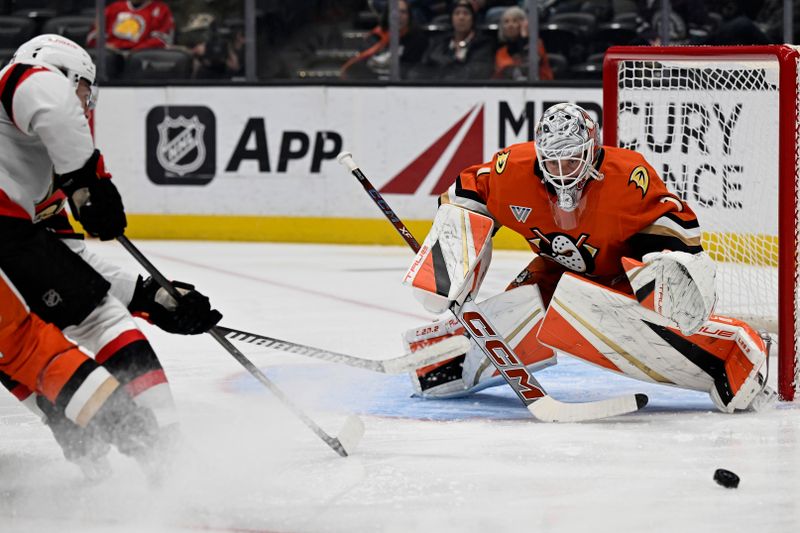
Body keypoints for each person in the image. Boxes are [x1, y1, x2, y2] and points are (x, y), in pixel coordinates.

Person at [402, 102, 774, 413]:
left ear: (592, 150)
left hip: (620, 278)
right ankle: (446, 364)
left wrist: (664, 267)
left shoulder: (627, 176)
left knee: (597, 314)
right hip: (554, 273)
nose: (562, 174)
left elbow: (677, 226)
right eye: (553, 163)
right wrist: (449, 263)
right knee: (522, 310)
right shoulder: (511, 170)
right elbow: (465, 194)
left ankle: (730, 350)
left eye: (572, 161)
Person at [0, 34, 221, 479]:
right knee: (94, 321)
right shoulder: (18, 81)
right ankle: (167, 456)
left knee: (20, 348)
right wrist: (86, 181)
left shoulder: (30, 174)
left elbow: (67, 260)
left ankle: (78, 437)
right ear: (63, 75)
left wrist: (147, 297)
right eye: (83, 89)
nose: (85, 103)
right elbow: (42, 92)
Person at [340, 0, 429, 80]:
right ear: (387, 15)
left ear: (409, 16)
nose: (398, 16)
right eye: (395, 11)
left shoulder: (418, 39)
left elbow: (417, 68)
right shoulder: (376, 36)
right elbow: (360, 63)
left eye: (403, 12)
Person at [411, 0, 493, 81]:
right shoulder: (438, 42)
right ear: (451, 18)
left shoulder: (483, 44)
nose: (461, 17)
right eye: (457, 13)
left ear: (473, 19)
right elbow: (422, 69)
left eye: (466, 13)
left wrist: (444, 66)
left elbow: (478, 72)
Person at [86, 0, 175, 51]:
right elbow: (92, 36)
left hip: (139, 59)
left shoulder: (161, 10)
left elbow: (162, 40)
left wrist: (134, 50)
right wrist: (105, 46)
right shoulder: (113, 8)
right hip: (111, 55)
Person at [493, 6, 553, 81]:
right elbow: (498, 78)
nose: (510, 25)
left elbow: (528, 71)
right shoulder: (500, 52)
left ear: (524, 24)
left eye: (515, 21)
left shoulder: (536, 45)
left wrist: (525, 39)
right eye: (506, 22)